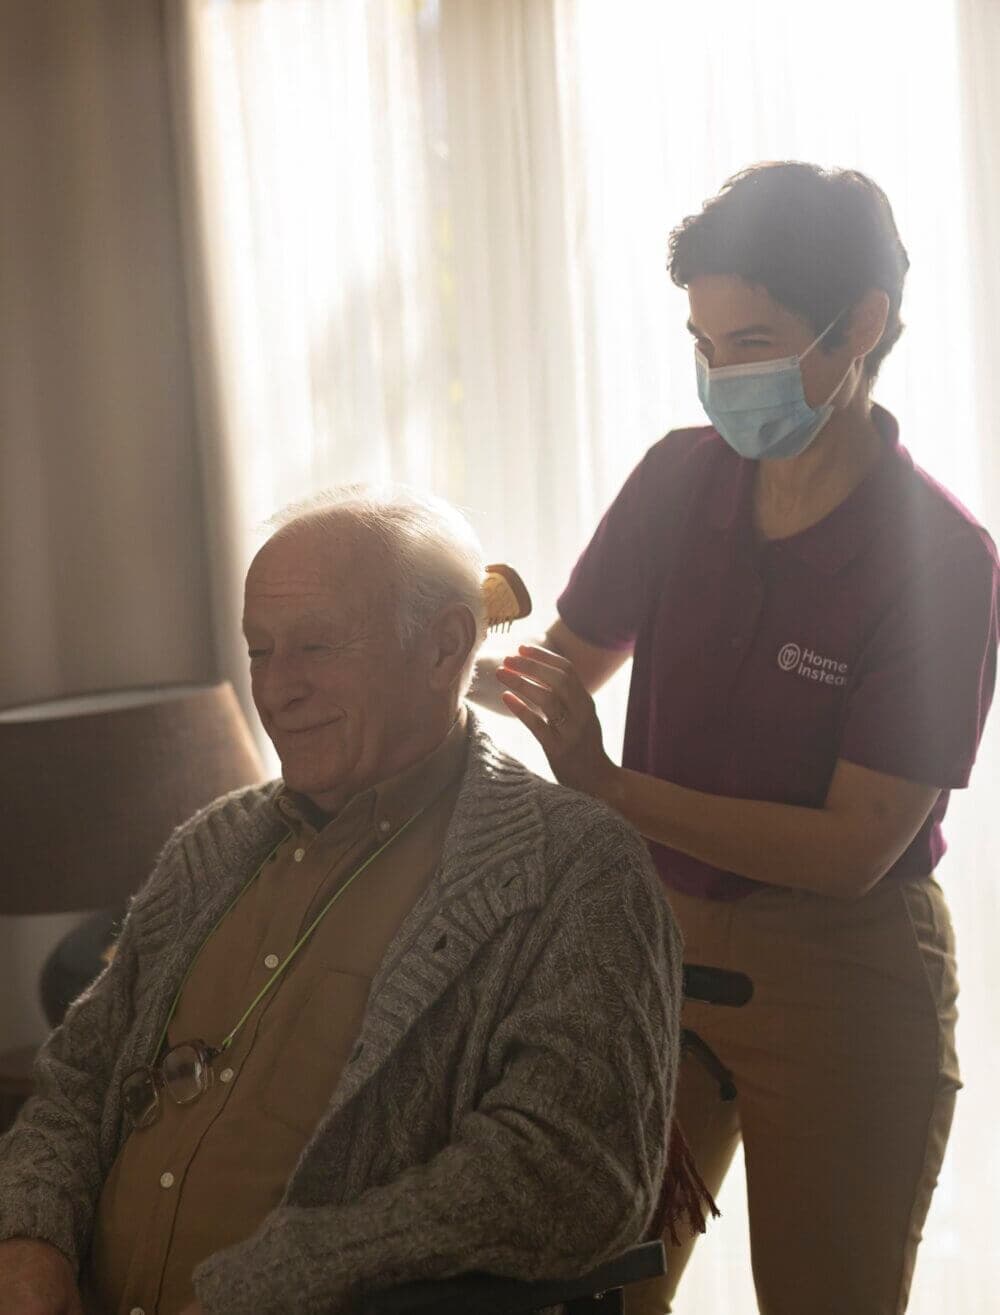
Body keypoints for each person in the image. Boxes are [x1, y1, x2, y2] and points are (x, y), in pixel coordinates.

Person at [473, 163, 1000, 1315]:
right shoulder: (677, 479)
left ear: (859, 324)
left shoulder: (942, 562)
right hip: (656, 946)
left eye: (752, 339)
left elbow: (851, 846)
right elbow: (564, 660)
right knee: (585, 1282)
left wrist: (609, 790)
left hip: (843, 968)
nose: (723, 375)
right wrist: (421, 650)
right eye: (704, 344)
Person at [0, 487, 683, 1315]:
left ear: (444, 650)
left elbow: (575, 1173)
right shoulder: (211, 846)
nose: (277, 689)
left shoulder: (572, 869)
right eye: (260, 650)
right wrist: (30, 1242)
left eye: (316, 646)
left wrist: (287, 1278)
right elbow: (79, 1077)